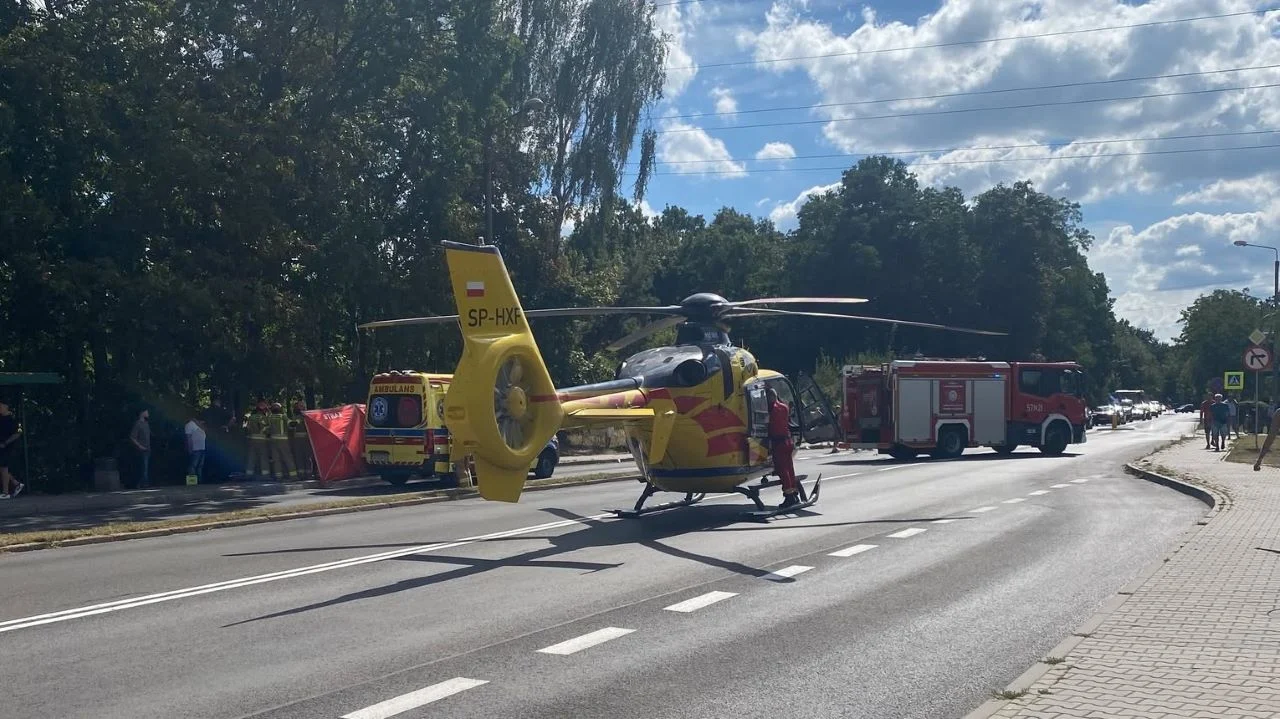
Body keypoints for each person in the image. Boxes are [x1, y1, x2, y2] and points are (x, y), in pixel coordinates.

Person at [766, 387, 800, 509]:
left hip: (778, 443)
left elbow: (768, 424)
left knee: (782, 469)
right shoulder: (784, 407)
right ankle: (795, 493)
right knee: (790, 468)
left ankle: (789, 495)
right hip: (788, 440)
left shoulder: (771, 410)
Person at [0, 399, 25, 499]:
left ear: (6, 406)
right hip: (1, 445)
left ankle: (6, 493)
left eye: (0, 405)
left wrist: (6, 443)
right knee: (2, 468)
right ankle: (16, 483)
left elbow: (18, 432)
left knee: (3, 467)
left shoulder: (15, 418)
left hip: (7, 447)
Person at [129, 408, 152, 488]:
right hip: (141, 450)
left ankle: (142, 483)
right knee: (143, 467)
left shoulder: (146, 423)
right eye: (146, 411)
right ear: (142, 413)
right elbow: (132, 437)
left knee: (145, 467)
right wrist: (140, 446)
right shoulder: (137, 424)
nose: (148, 413)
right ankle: (143, 484)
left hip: (148, 449)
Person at [184, 412, 207, 484]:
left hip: (201, 448)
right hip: (196, 448)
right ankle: (193, 481)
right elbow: (188, 438)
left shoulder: (198, 425)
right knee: (194, 465)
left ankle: (198, 480)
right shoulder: (189, 425)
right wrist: (190, 448)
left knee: (198, 465)